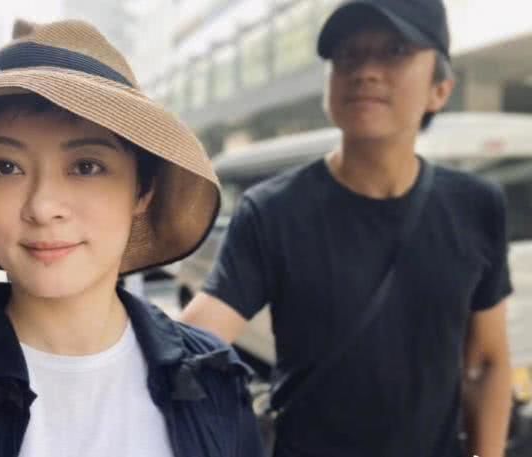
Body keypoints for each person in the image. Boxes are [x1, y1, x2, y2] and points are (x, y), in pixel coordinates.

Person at [0, 19, 263, 457]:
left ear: (142, 190)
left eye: (87, 166)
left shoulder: (214, 377)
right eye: (5, 167)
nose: (43, 206)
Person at [181, 1, 513, 456]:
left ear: (440, 89)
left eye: (395, 51)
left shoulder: (476, 205)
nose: (365, 71)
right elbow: (197, 339)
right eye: (347, 55)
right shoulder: (272, 211)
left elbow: (486, 362)